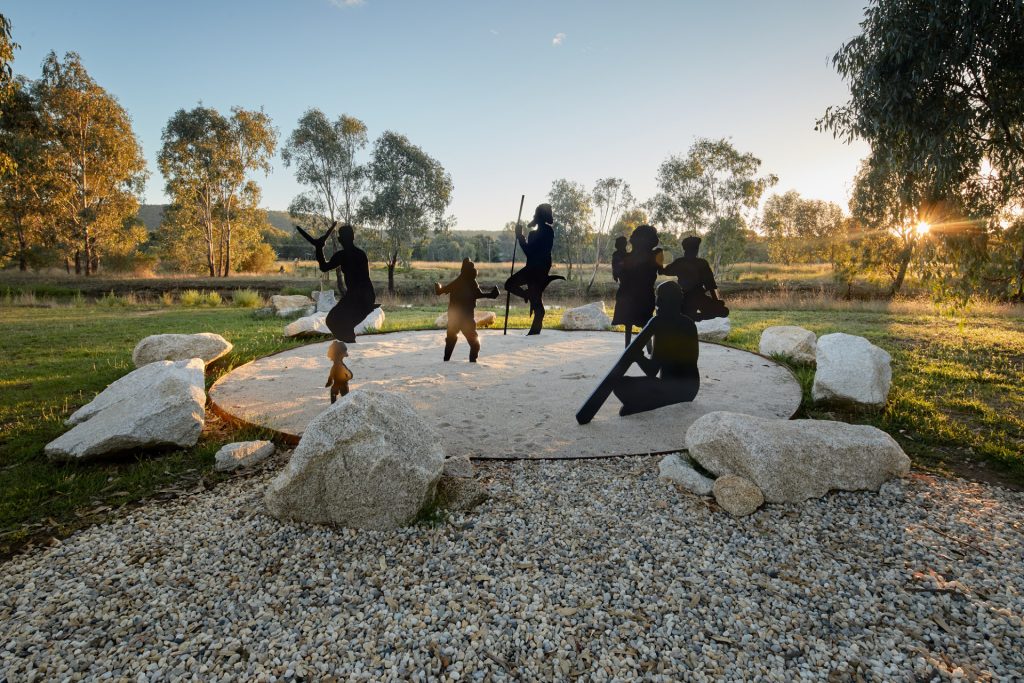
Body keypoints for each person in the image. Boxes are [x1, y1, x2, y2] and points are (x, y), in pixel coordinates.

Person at [575, 281, 700, 423]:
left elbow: (651, 371)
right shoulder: (689, 324)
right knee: (629, 385)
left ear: (667, 301)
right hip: (691, 389)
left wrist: (637, 355)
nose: (656, 301)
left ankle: (644, 405)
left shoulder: (660, 324)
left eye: (659, 297)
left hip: (674, 389)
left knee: (619, 384)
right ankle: (647, 403)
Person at [295, 222, 378, 343]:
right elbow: (325, 268)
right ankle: (350, 346)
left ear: (339, 239)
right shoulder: (358, 254)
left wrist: (319, 248)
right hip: (363, 296)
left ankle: (350, 346)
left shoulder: (343, 255)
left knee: (334, 322)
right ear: (353, 237)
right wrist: (319, 248)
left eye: (342, 237)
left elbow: (324, 267)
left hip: (359, 297)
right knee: (339, 323)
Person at [504, 203, 564, 335]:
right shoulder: (537, 233)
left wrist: (520, 237)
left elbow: (530, 252)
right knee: (510, 285)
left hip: (538, 269)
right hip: (533, 267)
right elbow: (529, 252)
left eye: (536, 214)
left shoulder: (547, 232)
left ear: (539, 216)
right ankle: (528, 295)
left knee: (512, 286)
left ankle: (534, 330)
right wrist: (521, 237)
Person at [435, 258, 500, 362]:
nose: (475, 271)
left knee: (453, 340)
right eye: (472, 268)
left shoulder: (460, 282)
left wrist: (438, 287)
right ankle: (471, 361)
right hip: (465, 318)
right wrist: (491, 295)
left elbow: (441, 291)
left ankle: (447, 360)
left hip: (456, 318)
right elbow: (479, 294)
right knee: (474, 343)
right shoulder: (471, 282)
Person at [611, 225, 663, 347]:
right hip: (644, 296)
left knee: (629, 324)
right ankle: (649, 347)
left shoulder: (623, 256)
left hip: (627, 296)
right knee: (645, 322)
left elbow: (618, 273)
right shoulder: (655, 255)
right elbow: (661, 271)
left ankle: (628, 347)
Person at [660, 235, 729, 321]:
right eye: (695, 248)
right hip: (693, 297)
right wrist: (716, 303)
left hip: (688, 297)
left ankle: (692, 317)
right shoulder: (701, 263)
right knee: (721, 310)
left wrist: (716, 303)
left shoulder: (680, 262)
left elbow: (664, 271)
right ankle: (694, 317)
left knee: (722, 310)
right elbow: (710, 285)